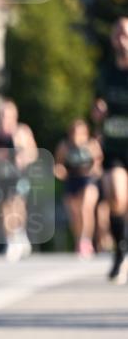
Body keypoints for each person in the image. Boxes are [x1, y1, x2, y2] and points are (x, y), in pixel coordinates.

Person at [92, 17, 128, 283]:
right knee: (116, 194)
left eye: (126, 35)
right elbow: (96, 107)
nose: (122, 40)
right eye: (118, 35)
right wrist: (98, 112)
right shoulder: (105, 72)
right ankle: (120, 248)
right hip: (114, 147)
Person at [0, 100, 38, 261]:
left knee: (17, 204)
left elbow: (33, 153)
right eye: (3, 115)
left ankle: (19, 234)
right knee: (4, 208)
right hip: (2, 176)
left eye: (8, 115)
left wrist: (21, 155)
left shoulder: (22, 131)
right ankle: (11, 240)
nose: (5, 119)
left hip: (19, 176)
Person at [54, 119, 103, 258]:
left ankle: (86, 240)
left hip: (88, 179)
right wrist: (59, 171)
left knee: (85, 208)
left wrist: (92, 171)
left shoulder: (92, 145)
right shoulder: (65, 146)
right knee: (75, 214)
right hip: (72, 180)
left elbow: (98, 163)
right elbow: (59, 163)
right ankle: (79, 240)